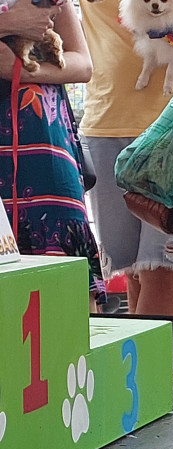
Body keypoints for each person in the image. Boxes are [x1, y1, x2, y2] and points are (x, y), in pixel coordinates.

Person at [79, 0, 173, 317]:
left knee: (162, 270)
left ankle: (153, 365)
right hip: (105, 123)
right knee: (130, 267)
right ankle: (136, 364)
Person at [0, 0, 105, 306]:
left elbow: (83, 64)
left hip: (45, 142)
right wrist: (9, 24)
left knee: (67, 286)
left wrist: (19, 69)